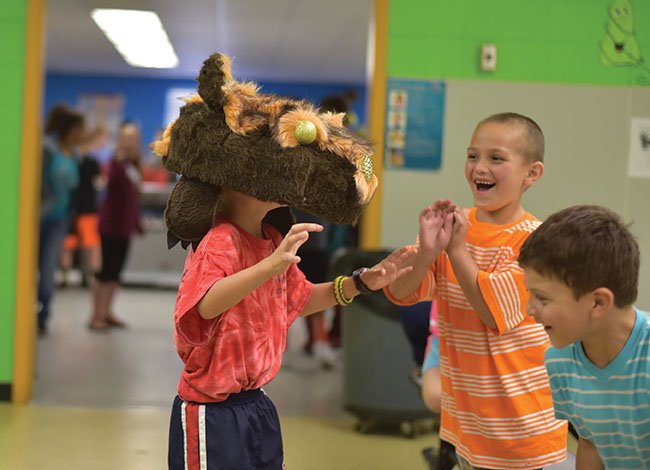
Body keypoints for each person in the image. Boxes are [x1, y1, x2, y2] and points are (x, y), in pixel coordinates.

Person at [154, 52, 401, 470]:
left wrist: (360, 283)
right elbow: (203, 305)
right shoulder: (221, 240)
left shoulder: (271, 239)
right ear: (235, 178)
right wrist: (269, 268)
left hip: (257, 405)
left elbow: (297, 300)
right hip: (211, 411)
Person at [385, 112, 567, 469]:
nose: (479, 167)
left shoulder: (536, 241)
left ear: (532, 173)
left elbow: (491, 311)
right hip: (467, 428)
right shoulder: (458, 227)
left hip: (521, 430)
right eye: (473, 156)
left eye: (496, 158)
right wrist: (426, 252)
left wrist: (455, 250)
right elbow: (402, 294)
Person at [519, 205, 650, 469]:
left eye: (542, 297)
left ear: (598, 303)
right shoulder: (559, 360)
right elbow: (590, 442)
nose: (529, 309)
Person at [88, 123, 142, 330]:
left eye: (133, 138)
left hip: (124, 227)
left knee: (116, 272)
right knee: (104, 272)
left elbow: (133, 196)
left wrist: (135, 223)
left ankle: (107, 312)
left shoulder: (133, 164)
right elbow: (109, 184)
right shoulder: (115, 161)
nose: (130, 142)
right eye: (126, 137)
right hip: (110, 225)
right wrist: (117, 163)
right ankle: (96, 315)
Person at [38, 104, 86, 335]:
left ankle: (42, 317)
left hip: (59, 220)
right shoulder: (46, 148)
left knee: (48, 271)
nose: (82, 133)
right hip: (38, 218)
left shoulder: (75, 154)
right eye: (80, 129)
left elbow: (74, 191)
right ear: (70, 129)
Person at [60, 126, 107, 287]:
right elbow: (99, 183)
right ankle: (87, 277)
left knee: (72, 244)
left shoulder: (71, 161)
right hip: (86, 209)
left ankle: (66, 277)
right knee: (88, 245)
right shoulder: (91, 162)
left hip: (73, 208)